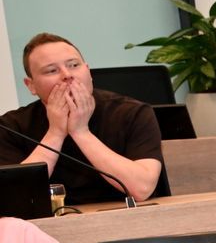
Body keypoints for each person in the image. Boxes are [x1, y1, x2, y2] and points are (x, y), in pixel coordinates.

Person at [0, 33, 165, 203]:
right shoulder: (10, 126)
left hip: (126, 216)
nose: (67, 75)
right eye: (52, 70)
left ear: (88, 71)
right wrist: (55, 133)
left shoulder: (132, 113)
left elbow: (142, 189)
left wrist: (81, 132)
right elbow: (12, 198)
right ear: (31, 85)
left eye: (73, 65)